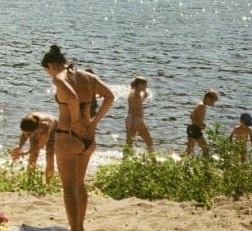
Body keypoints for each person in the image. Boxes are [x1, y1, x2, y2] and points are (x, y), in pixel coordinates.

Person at [41, 45, 114, 231]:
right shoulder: (88, 77)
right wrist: (94, 122)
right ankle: (80, 227)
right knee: (79, 184)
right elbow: (110, 97)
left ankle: (75, 229)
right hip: (88, 138)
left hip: (68, 136)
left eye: (47, 71)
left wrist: (74, 120)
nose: (49, 75)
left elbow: (72, 98)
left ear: (51, 65)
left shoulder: (59, 77)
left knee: (68, 187)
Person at [10, 112, 56, 181]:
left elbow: (40, 146)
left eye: (29, 133)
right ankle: (30, 180)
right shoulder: (27, 121)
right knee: (33, 156)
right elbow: (25, 134)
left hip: (54, 130)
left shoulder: (45, 125)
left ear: (35, 130)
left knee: (49, 157)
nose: (27, 134)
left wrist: (24, 153)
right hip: (35, 127)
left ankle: (48, 182)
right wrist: (19, 147)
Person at [185, 89, 218, 158]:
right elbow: (192, 116)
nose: (213, 104)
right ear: (207, 98)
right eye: (213, 101)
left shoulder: (201, 104)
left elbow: (194, 117)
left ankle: (180, 162)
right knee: (206, 149)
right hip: (195, 129)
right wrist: (201, 124)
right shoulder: (201, 106)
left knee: (189, 150)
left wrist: (201, 124)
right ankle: (206, 164)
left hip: (192, 128)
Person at [124, 76, 154, 152]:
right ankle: (154, 161)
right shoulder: (137, 95)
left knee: (129, 143)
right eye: (145, 85)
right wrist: (144, 96)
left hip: (129, 119)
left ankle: (125, 160)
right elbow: (137, 106)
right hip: (136, 120)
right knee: (149, 142)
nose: (146, 87)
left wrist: (143, 97)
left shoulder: (132, 92)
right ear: (140, 85)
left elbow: (136, 105)